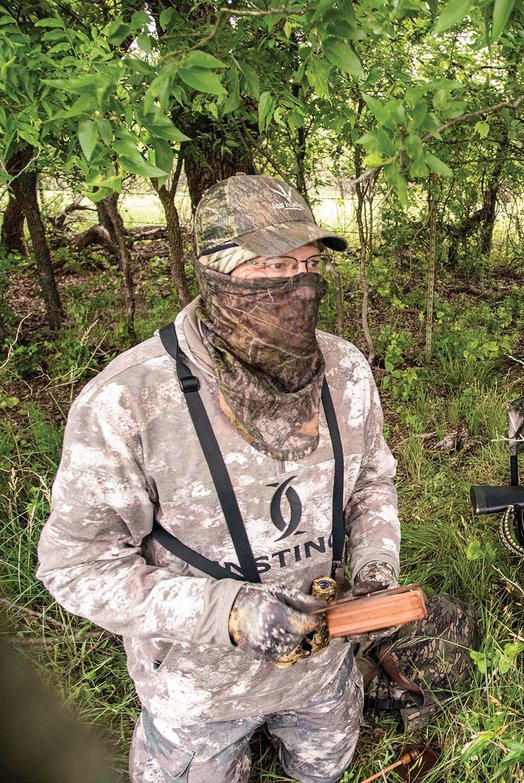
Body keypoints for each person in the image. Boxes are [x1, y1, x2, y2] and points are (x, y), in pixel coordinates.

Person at [36, 174, 401, 782]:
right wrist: (230, 614)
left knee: (324, 771)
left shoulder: (345, 370)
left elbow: (371, 484)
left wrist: (374, 570)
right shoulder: (130, 398)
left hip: (324, 674)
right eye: (274, 265)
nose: (299, 284)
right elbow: (77, 567)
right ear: (214, 272)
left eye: (310, 264)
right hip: (198, 693)